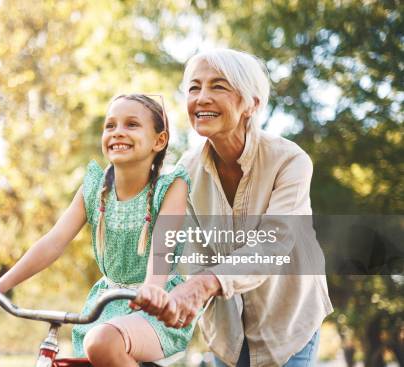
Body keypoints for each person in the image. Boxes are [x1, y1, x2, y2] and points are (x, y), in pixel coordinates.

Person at [0, 94, 195, 367]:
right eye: (110, 126)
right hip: (105, 306)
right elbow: (53, 242)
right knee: (94, 344)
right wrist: (1, 284)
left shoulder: (170, 188)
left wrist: (152, 290)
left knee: (102, 342)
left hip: (154, 309)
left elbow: (161, 251)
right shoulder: (95, 189)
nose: (118, 131)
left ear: (159, 140)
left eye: (131, 124)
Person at [138, 49, 333, 366]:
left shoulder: (290, 160)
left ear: (252, 104)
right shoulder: (185, 172)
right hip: (227, 330)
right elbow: (170, 243)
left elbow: (273, 243)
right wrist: (154, 291)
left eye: (218, 86)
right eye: (194, 88)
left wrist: (202, 284)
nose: (201, 98)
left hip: (287, 323)